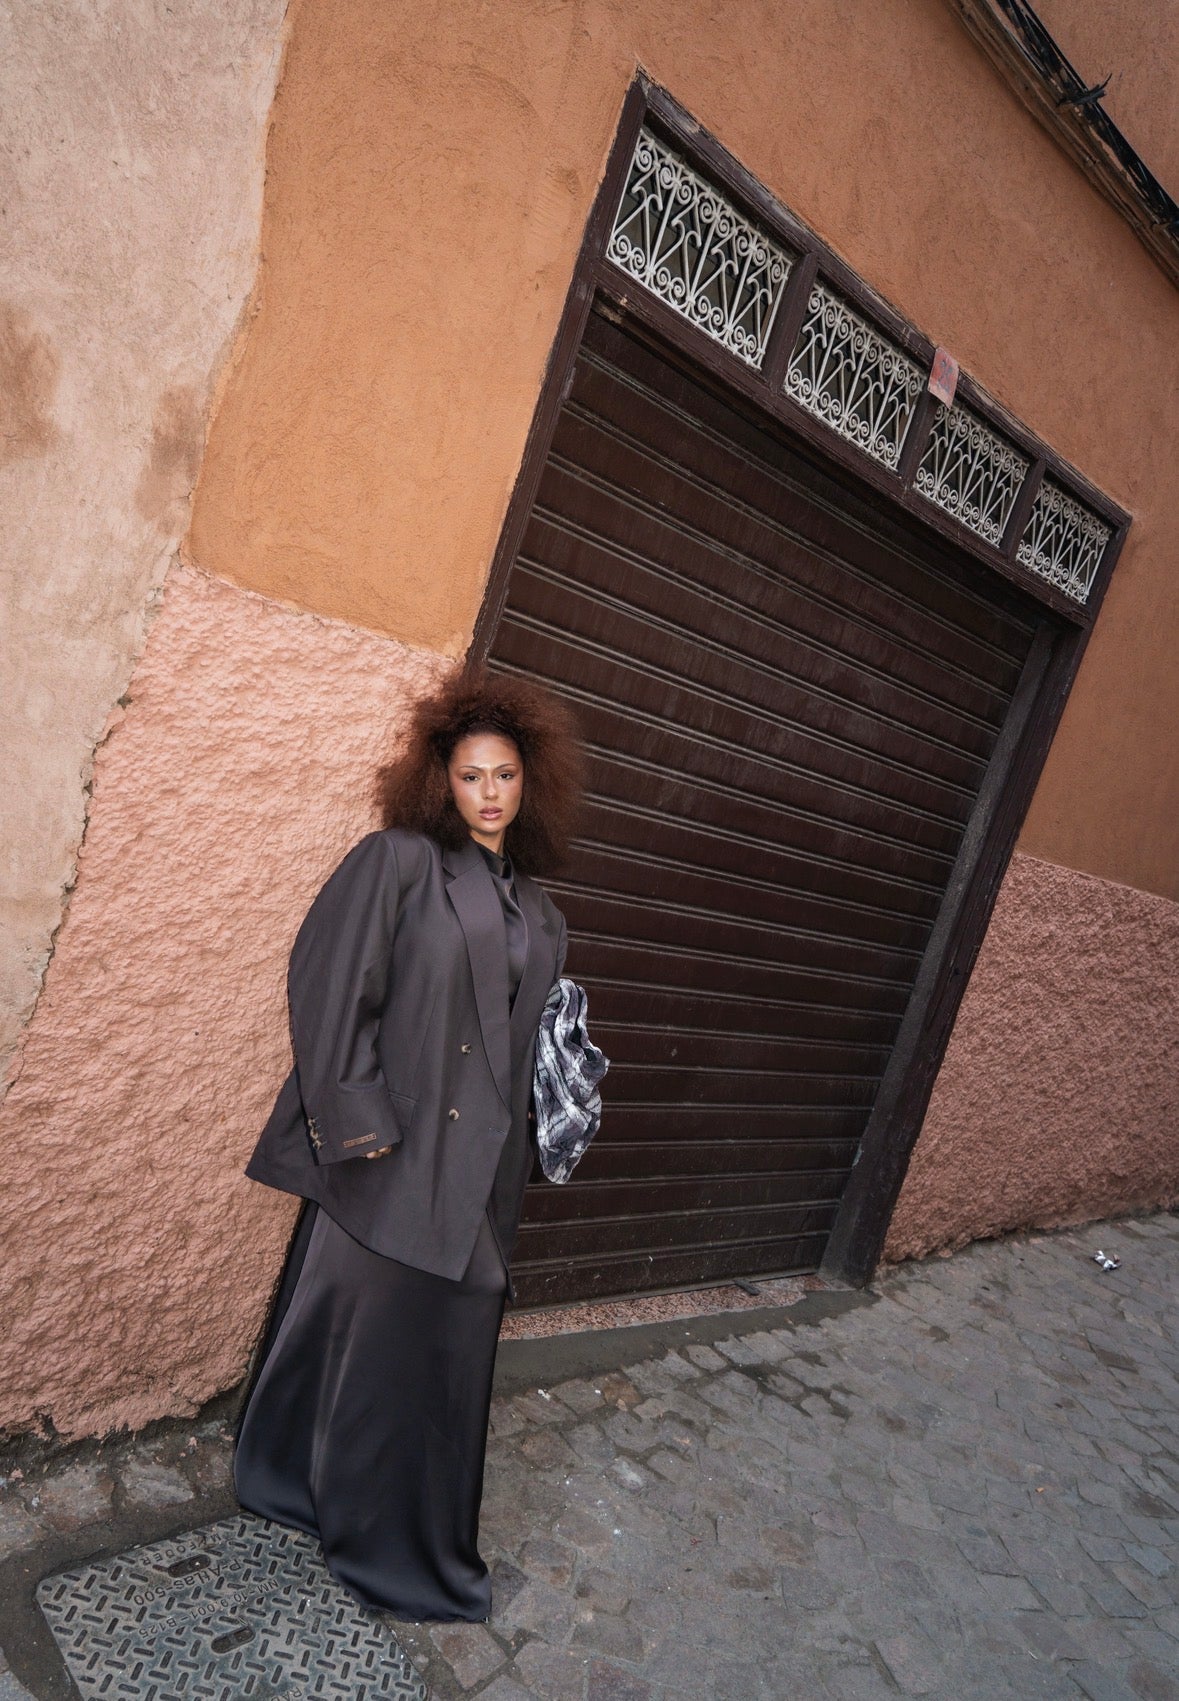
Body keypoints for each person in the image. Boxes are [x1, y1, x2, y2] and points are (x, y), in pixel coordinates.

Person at [234, 666, 582, 1622]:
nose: (489, 795)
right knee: (365, 1329)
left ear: (530, 783)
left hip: (477, 1172)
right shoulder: (396, 861)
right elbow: (329, 984)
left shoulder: (543, 914)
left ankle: (306, 1484)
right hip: (386, 1157)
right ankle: (375, 1529)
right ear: (441, 780)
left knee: (416, 1333)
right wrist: (361, 1126)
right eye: (471, 776)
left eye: (505, 775)